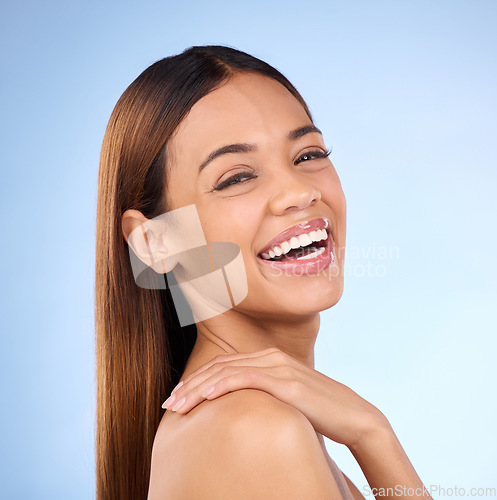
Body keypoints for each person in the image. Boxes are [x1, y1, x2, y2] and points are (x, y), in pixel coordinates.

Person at [95, 45, 432, 500]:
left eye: (308, 154)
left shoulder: (265, 423)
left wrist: (371, 432)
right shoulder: (255, 429)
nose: (298, 191)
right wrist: (372, 434)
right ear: (155, 242)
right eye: (236, 177)